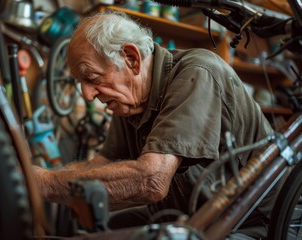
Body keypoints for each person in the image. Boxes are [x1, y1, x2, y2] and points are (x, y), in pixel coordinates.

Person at [34, 10, 280, 239]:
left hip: (254, 225)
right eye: (80, 82)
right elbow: (103, 164)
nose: (86, 95)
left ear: (131, 59)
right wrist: (38, 178)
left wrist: (44, 182)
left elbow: (151, 181)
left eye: (92, 78)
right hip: (186, 216)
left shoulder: (197, 73)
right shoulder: (129, 103)